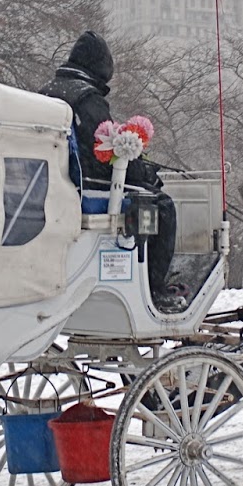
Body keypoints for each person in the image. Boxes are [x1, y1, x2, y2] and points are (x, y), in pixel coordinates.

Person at [40, 31, 183, 313]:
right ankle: (155, 287)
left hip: (51, 187)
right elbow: (105, 153)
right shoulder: (87, 100)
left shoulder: (46, 93)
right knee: (163, 207)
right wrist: (144, 174)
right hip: (84, 188)